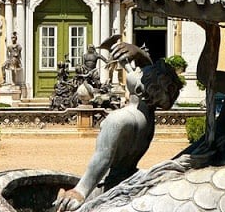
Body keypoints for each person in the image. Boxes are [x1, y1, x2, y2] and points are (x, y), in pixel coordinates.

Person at [54, 41, 183, 211]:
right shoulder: (147, 117)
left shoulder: (119, 119)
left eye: (139, 71)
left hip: (107, 187)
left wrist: (80, 191)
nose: (134, 68)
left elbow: (102, 159)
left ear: (140, 89)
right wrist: (139, 54)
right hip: (130, 181)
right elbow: (150, 79)